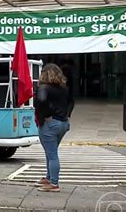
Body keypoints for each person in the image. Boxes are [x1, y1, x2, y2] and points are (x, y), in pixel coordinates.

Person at [34, 63, 73, 193]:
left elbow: (41, 101)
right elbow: (71, 102)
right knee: (51, 152)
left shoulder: (43, 88)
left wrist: (46, 116)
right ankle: (49, 178)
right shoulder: (64, 88)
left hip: (50, 123)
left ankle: (54, 182)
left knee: (51, 155)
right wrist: (67, 115)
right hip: (63, 123)